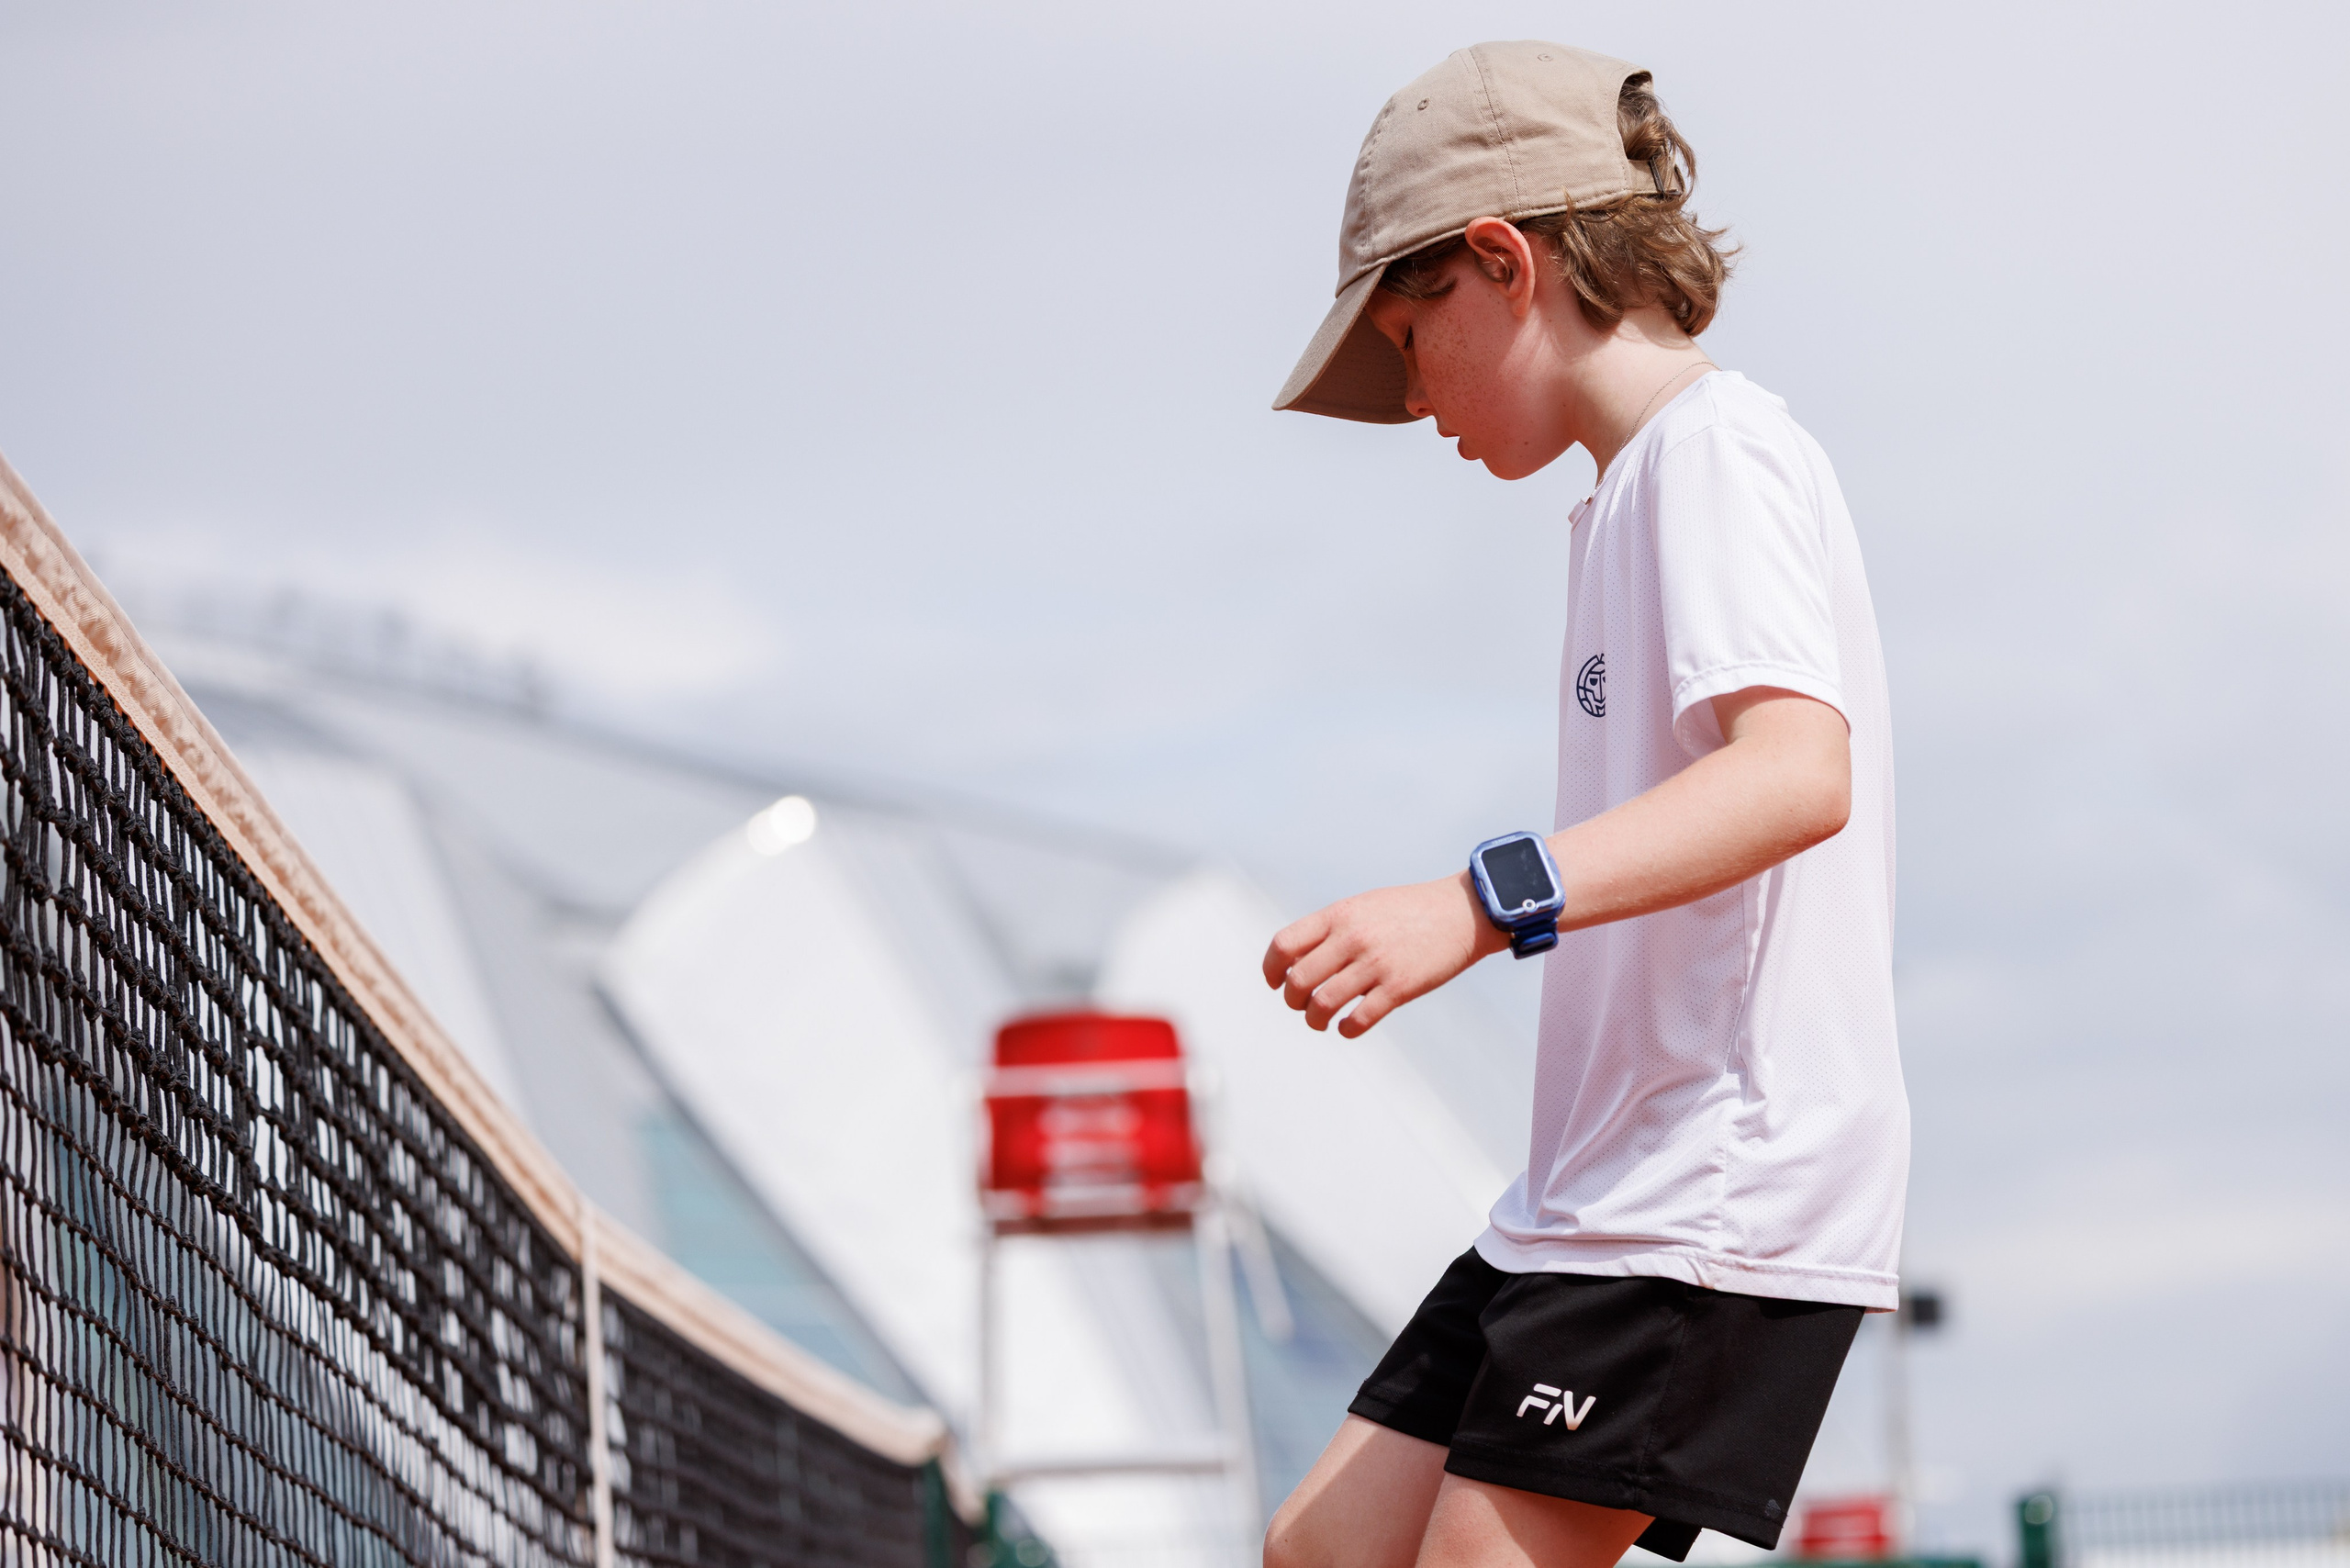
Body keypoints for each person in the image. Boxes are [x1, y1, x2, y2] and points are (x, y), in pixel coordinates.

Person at [1256, 41, 1908, 1568]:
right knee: (1322, 1552)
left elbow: (1796, 773)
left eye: (1408, 335)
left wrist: (1474, 905)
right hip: (1590, 1189)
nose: (1411, 392)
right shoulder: (1625, 495)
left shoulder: (1718, 454)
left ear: (1503, 262)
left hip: (1711, 1187)